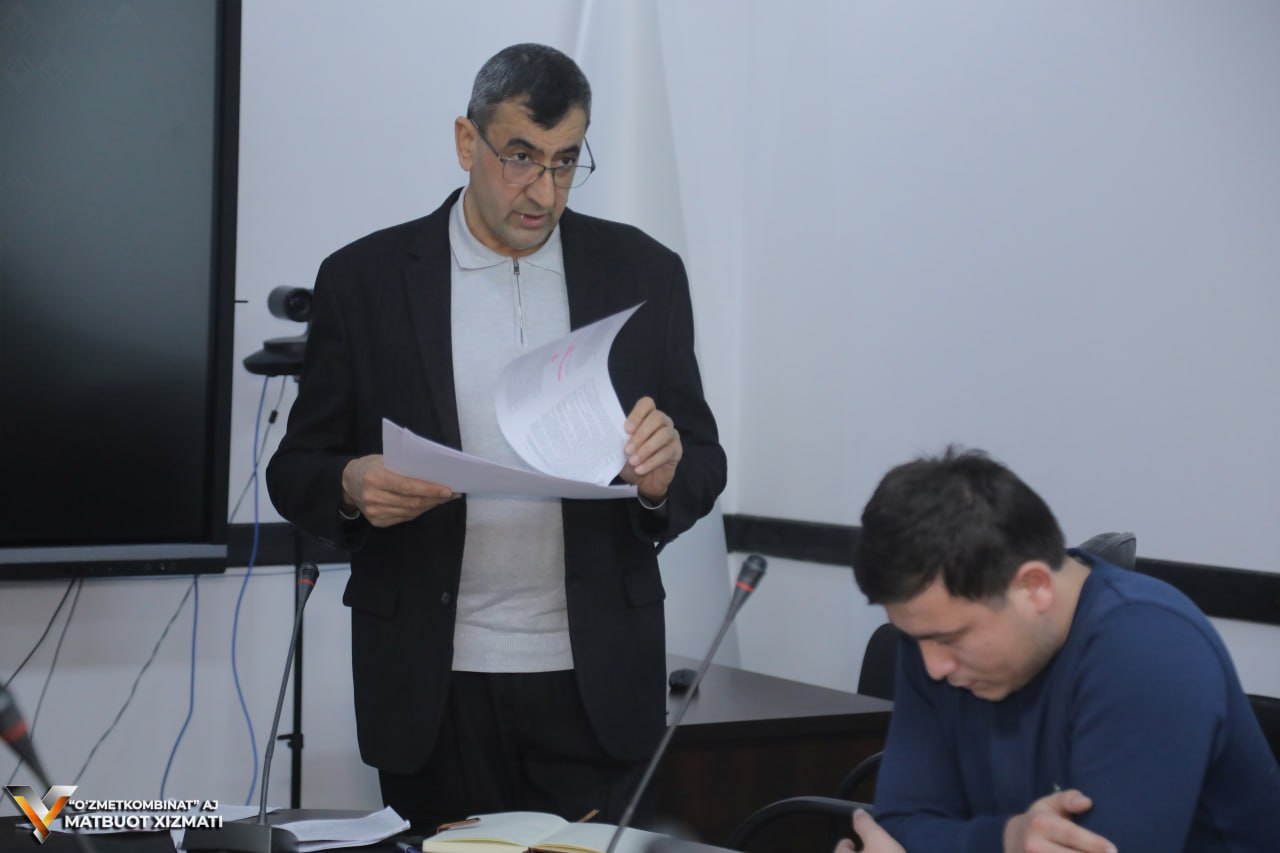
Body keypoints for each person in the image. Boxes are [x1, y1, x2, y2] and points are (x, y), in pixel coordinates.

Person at [266, 43, 725, 826]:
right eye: (520, 157)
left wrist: (661, 479)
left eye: (565, 161)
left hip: (595, 678)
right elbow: (296, 467)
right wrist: (351, 485)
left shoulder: (644, 272)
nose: (543, 191)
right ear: (465, 141)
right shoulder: (366, 279)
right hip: (432, 683)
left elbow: (702, 458)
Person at [843, 447, 1280, 852]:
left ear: (1033, 588)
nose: (934, 666)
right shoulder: (935, 632)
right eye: (915, 637)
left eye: (951, 638)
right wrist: (1009, 839)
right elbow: (897, 825)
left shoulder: (1150, 649)